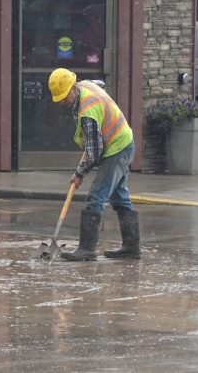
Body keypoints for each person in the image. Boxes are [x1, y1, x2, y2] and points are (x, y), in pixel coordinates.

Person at [47, 68, 140, 260]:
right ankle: (131, 247)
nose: (63, 102)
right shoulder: (86, 85)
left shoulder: (87, 110)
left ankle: (86, 250)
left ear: (73, 88)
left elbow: (95, 152)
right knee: (120, 198)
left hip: (117, 149)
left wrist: (79, 173)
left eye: (64, 97)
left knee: (96, 198)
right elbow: (101, 84)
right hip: (124, 142)